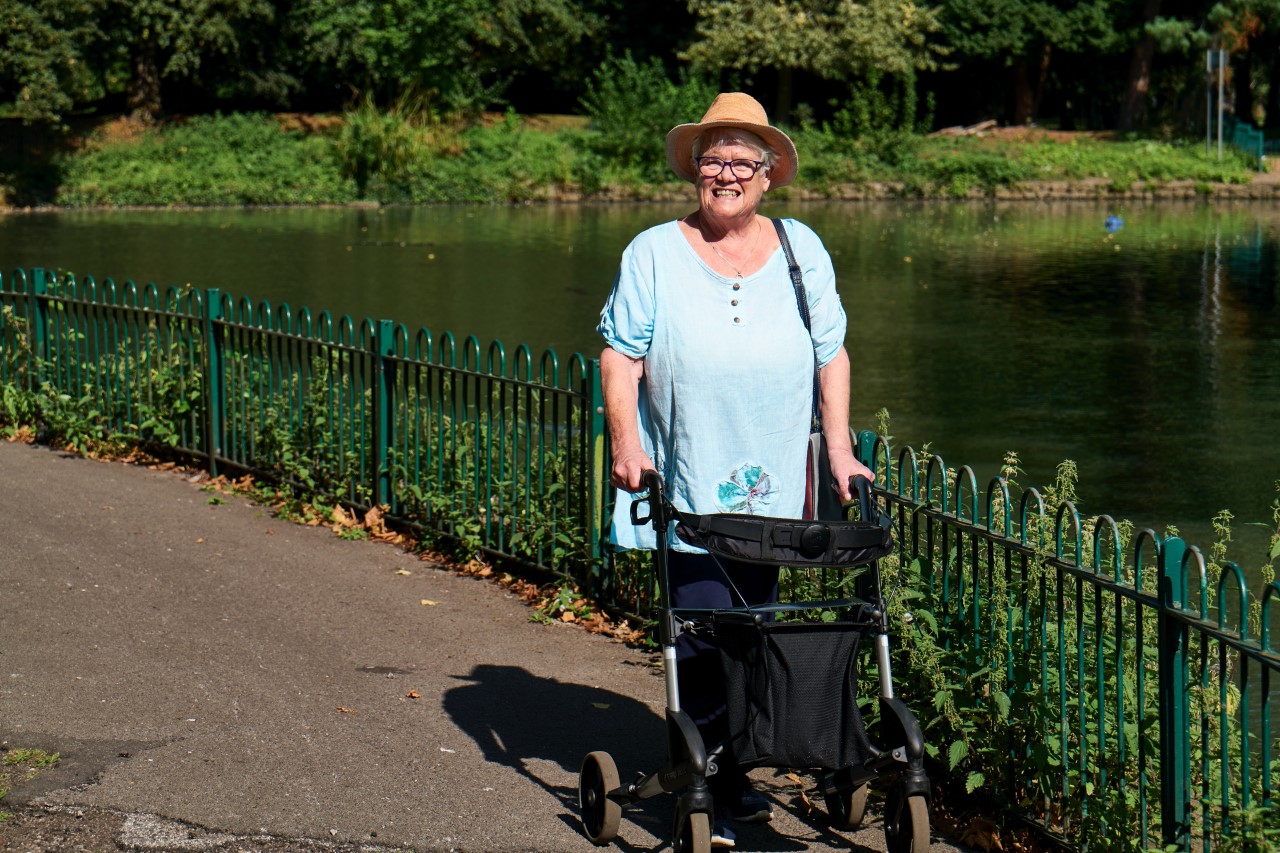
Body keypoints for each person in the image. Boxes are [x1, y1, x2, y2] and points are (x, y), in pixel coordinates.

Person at [596, 92, 874, 848]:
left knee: (757, 628)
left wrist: (841, 448)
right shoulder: (653, 251)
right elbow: (620, 355)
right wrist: (627, 443)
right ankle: (705, 781)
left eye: (742, 160)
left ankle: (730, 770)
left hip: (776, 485)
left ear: (769, 173)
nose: (727, 172)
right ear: (695, 167)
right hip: (688, 482)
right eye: (713, 157)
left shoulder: (800, 248)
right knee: (703, 628)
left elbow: (832, 352)